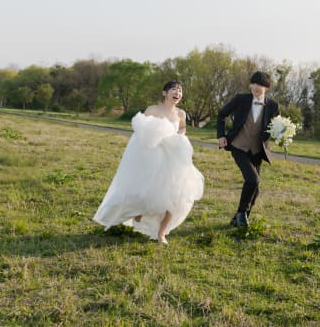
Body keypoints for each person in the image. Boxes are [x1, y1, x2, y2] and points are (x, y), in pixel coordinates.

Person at [93, 81, 204, 244]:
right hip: (153, 156)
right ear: (164, 93)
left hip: (172, 156)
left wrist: (179, 136)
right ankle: (138, 215)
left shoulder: (181, 113)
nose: (177, 93)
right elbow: (141, 131)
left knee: (176, 194)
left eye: (180, 90)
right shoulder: (153, 110)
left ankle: (161, 233)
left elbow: (182, 128)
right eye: (174, 89)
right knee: (148, 191)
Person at [216, 71, 279, 227]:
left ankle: (237, 220)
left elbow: (277, 127)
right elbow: (221, 114)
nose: (256, 87)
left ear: (267, 88)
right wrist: (221, 135)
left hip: (257, 150)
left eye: (260, 85)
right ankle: (241, 214)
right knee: (253, 179)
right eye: (253, 83)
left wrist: (282, 135)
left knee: (255, 189)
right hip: (239, 146)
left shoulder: (273, 105)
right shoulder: (241, 99)